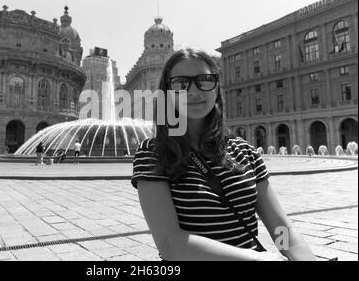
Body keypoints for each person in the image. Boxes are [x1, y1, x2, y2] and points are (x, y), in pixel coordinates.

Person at [132, 48, 316, 261]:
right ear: (167, 92)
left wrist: (294, 254)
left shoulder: (245, 152)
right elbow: (171, 244)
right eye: (181, 83)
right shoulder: (153, 154)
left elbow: (281, 229)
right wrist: (255, 259)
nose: (194, 92)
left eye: (205, 80)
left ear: (216, 88)